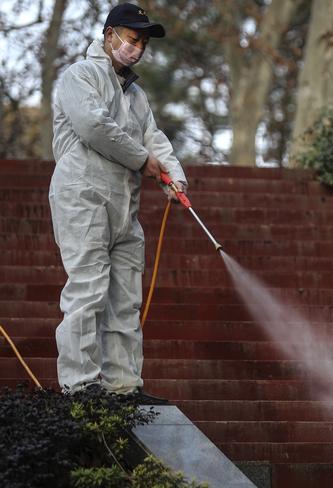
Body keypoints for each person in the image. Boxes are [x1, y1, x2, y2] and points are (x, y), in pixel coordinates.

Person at [48, 3, 187, 403]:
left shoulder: (137, 95)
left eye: (143, 41)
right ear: (109, 35)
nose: (138, 47)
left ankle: (123, 385)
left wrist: (174, 177)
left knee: (125, 297)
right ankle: (80, 385)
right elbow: (94, 126)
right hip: (82, 195)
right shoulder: (80, 76)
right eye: (131, 38)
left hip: (125, 205)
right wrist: (144, 161)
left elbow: (153, 137)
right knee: (88, 290)